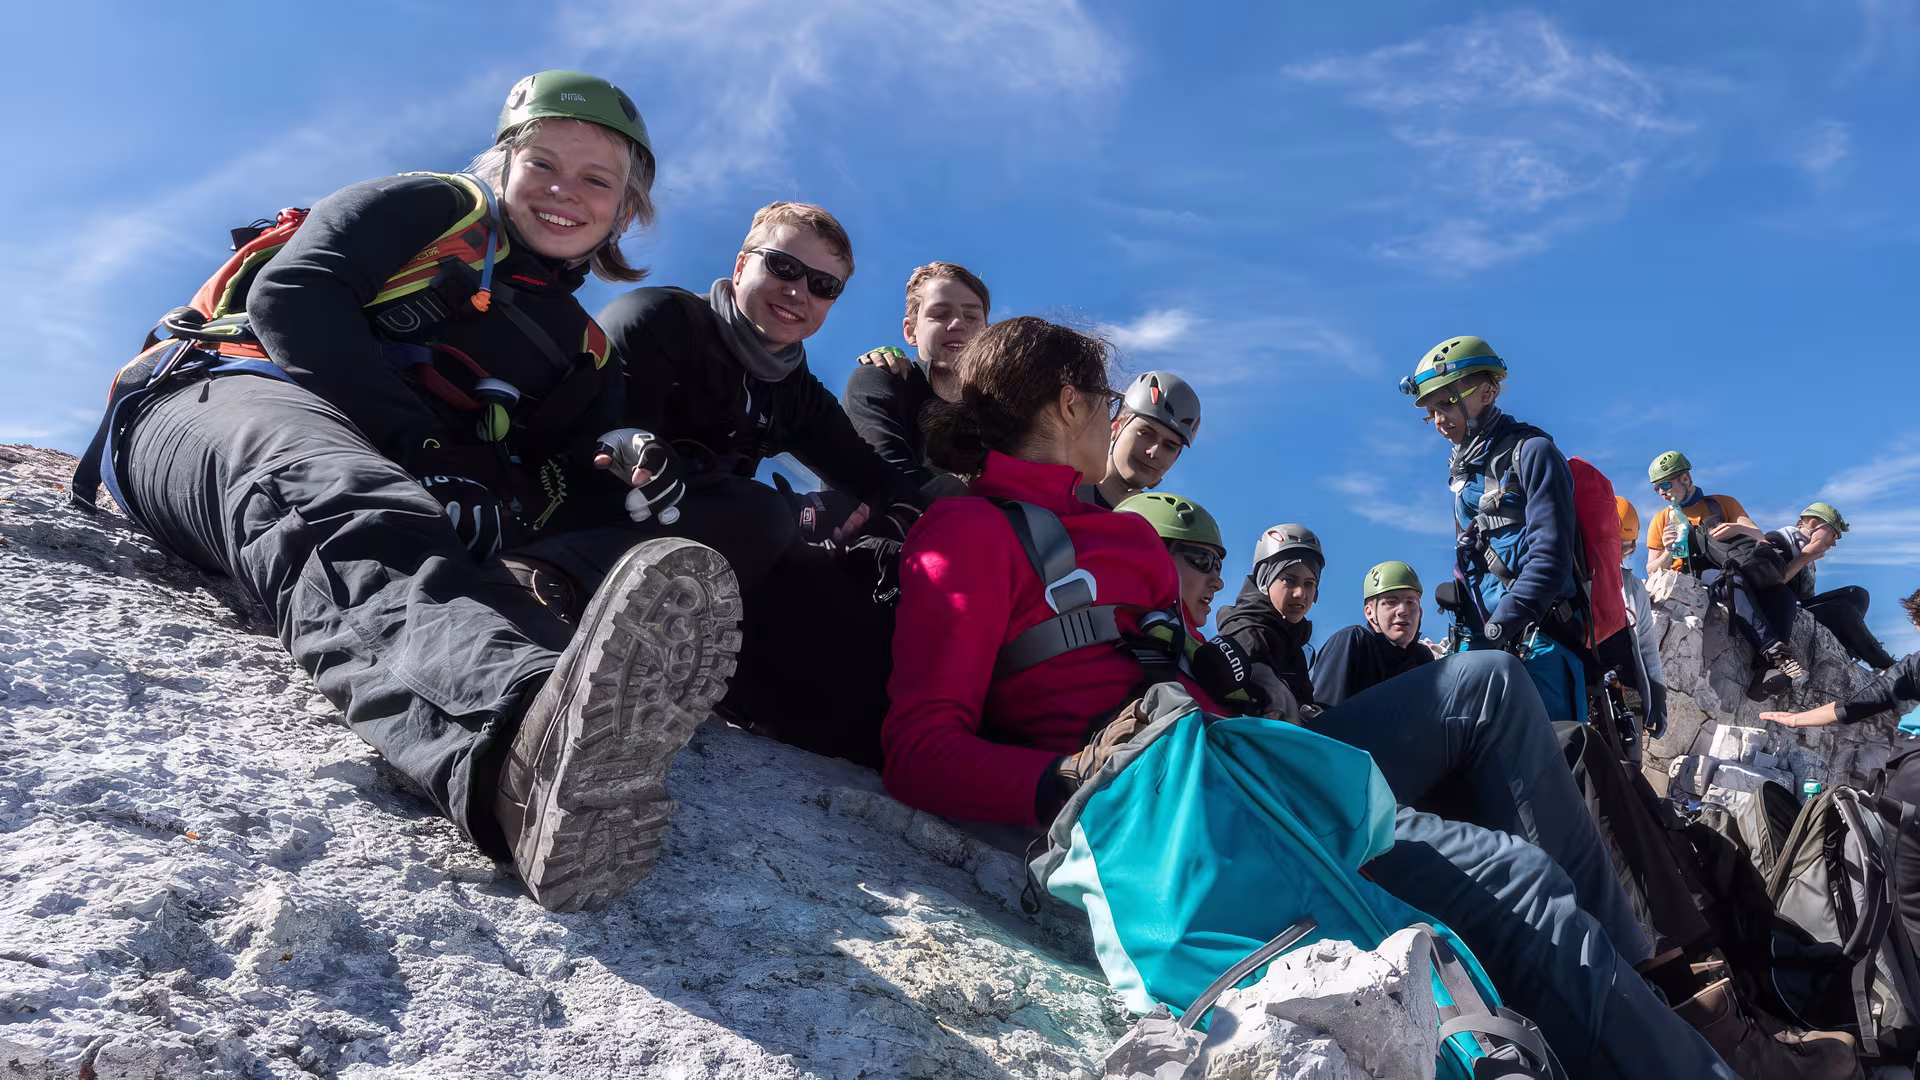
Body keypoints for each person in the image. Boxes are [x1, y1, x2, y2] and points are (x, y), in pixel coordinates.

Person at [877, 315, 1749, 1080]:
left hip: (1255, 766)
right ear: (1068, 403)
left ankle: (1648, 1015)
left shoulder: (1124, 539)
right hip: (1174, 811)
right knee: (1518, 881)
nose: (1113, 418)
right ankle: (1658, 1029)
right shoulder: (970, 532)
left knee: (1494, 720)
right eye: (1106, 399)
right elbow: (919, 746)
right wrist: (1065, 783)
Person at [73, 71, 740, 912]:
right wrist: (425, 451)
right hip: (216, 402)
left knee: (467, 565)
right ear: (502, 164)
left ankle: (578, 720)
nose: (566, 192)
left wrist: (630, 462)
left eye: (597, 180)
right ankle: (515, 752)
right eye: (544, 164)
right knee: (338, 488)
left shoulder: (585, 352)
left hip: (383, 476)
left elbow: (563, 470)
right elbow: (295, 293)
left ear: (626, 208)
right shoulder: (433, 206)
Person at [595, 201, 924, 764]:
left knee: (841, 590)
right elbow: (591, 439)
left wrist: (892, 519)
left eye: (823, 285)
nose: (799, 292)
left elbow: (880, 480)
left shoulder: (795, 392)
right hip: (605, 536)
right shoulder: (658, 318)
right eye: (784, 267)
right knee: (767, 516)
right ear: (743, 262)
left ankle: (838, 734)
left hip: (712, 561)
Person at [1401, 336, 1586, 728]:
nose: (1438, 420)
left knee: (1549, 762)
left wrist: (1503, 625)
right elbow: (1469, 560)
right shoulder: (1464, 477)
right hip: (1487, 639)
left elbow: (1550, 559)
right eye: (1430, 411)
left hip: (1541, 640)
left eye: (1447, 403)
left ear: (1489, 390)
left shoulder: (1533, 453)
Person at [1645, 451, 1807, 696]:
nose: (1662, 492)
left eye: (1665, 484)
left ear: (1686, 478)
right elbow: (1652, 569)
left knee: (1781, 595)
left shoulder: (1722, 503)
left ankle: (1767, 672)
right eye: (1656, 488)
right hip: (1695, 575)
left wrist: (1736, 528)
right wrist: (1669, 551)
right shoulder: (1661, 520)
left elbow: (1758, 536)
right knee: (1732, 583)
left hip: (1733, 562)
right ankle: (1776, 652)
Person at [844, 262, 990, 494]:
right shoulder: (881, 380)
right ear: (911, 331)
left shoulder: (1000, 407)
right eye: (940, 314)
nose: (958, 324)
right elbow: (888, 474)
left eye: (971, 316)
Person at [1767, 502, 1898, 669]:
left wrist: (1807, 558)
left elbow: (1808, 599)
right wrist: (1803, 558)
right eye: (1833, 534)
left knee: (1858, 594)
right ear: (1814, 524)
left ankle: (1847, 646)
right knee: (1843, 610)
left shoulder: (1806, 552)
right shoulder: (1779, 540)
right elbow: (1770, 585)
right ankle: (1886, 665)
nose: (1834, 544)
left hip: (1798, 607)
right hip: (1780, 610)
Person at [1217, 524, 1325, 711]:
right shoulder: (1249, 635)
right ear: (1263, 580)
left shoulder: (1290, 637)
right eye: (1289, 580)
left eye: (1309, 583)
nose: (1300, 593)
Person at [1310, 561, 1436, 707]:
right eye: (1390, 602)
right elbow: (1323, 716)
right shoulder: (1353, 642)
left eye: (1410, 602)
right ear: (1369, 612)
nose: (1403, 610)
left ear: (1420, 612)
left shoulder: (1422, 659)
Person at [1081, 370, 1202, 509]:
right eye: (1144, 433)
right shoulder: (1062, 497)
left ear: (1176, 458)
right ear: (1116, 427)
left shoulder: (1161, 526)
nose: (1154, 451)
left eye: (1170, 446)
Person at [1115, 491, 1227, 628]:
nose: (1219, 584)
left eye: (1218, 567)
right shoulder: (1090, 635)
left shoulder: (1178, 645)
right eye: (1202, 561)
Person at [1609, 497, 1669, 740]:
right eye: (1621, 547)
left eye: (1629, 547)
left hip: (1618, 698)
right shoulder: (1566, 574)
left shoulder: (1633, 587)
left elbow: (1645, 649)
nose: (1625, 554)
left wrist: (1655, 699)